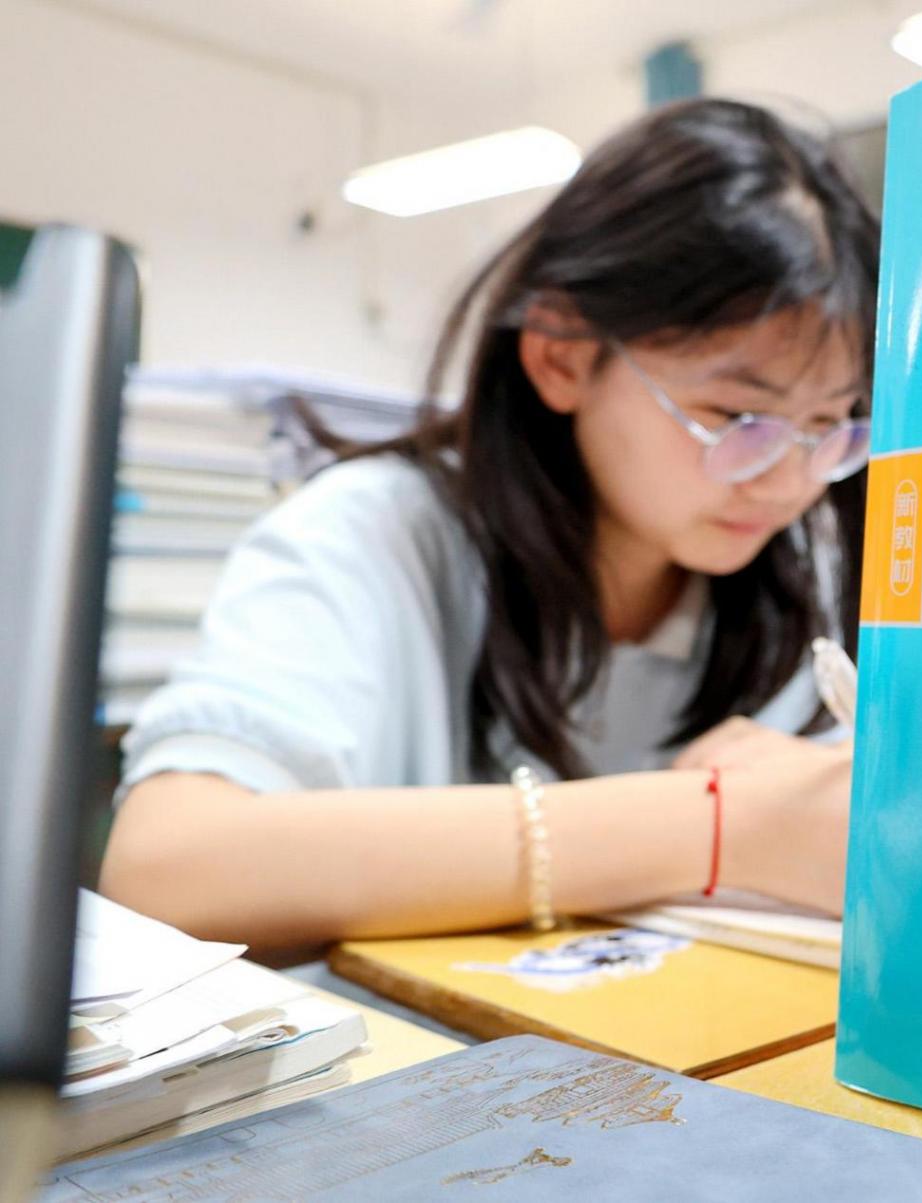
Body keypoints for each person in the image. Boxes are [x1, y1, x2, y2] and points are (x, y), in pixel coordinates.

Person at [100, 98, 876, 951]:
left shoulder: (794, 571)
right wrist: (719, 825)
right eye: (737, 418)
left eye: (831, 423)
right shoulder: (373, 533)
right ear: (561, 355)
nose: (790, 480)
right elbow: (166, 868)